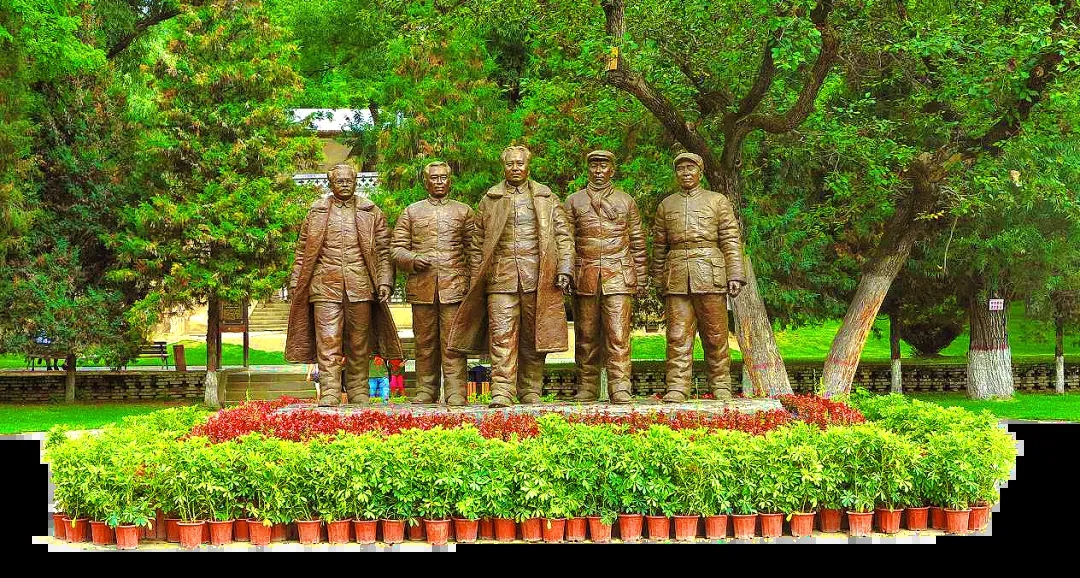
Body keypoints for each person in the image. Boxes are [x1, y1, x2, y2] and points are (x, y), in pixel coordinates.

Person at [447, 145, 574, 408]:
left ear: (528, 166)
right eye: (510, 164)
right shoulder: (490, 199)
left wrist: (565, 269)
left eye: (520, 163)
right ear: (503, 167)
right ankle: (502, 392)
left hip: (538, 278)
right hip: (500, 279)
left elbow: (563, 236)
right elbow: (477, 243)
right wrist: (476, 280)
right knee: (501, 336)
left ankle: (530, 391)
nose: (515, 168)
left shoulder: (547, 198)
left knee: (534, 337)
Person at [285, 163, 403, 406]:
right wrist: (296, 282)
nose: (345, 184)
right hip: (324, 286)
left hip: (360, 286)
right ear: (330, 184)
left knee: (358, 343)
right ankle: (330, 391)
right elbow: (302, 251)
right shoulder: (316, 212)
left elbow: (384, 250)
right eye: (340, 181)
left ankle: (359, 391)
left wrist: (385, 281)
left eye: (349, 180)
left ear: (355, 182)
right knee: (328, 342)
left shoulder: (371, 211)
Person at [650, 152, 745, 402]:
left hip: (710, 273)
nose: (685, 173)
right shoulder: (666, 205)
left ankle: (721, 385)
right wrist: (658, 279)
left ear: (700, 172)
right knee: (677, 336)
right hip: (677, 276)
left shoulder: (717, 201)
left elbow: (730, 239)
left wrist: (735, 274)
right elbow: (659, 246)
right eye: (681, 169)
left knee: (715, 335)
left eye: (690, 168)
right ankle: (677, 387)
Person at [563, 150, 648, 403]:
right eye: (594, 166)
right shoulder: (574, 201)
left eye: (603, 166)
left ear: (612, 170)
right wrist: (566, 272)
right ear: (588, 170)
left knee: (618, 335)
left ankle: (620, 387)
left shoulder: (626, 201)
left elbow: (637, 242)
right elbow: (565, 241)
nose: (598, 171)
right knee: (586, 336)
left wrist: (641, 277)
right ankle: (587, 387)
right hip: (585, 275)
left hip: (618, 275)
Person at [391, 161, 473, 406]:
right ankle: (426, 389)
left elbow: (475, 250)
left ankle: (456, 391)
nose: (439, 182)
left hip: (455, 287)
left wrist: (473, 285)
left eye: (443, 177)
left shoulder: (464, 212)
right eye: (434, 178)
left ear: (450, 181)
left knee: (453, 342)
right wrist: (413, 259)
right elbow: (396, 249)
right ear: (425, 182)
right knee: (424, 343)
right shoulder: (412, 212)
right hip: (422, 288)